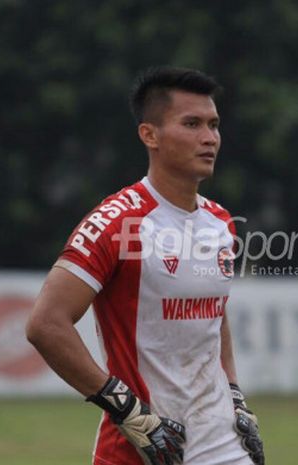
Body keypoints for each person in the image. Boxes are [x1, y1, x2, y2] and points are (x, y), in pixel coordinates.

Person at [27, 66, 264, 465]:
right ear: (149, 135)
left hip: (223, 447)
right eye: (191, 124)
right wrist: (129, 412)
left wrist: (235, 394)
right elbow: (46, 324)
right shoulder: (116, 222)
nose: (209, 138)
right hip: (145, 450)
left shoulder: (222, 222)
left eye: (214, 124)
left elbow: (213, 315)